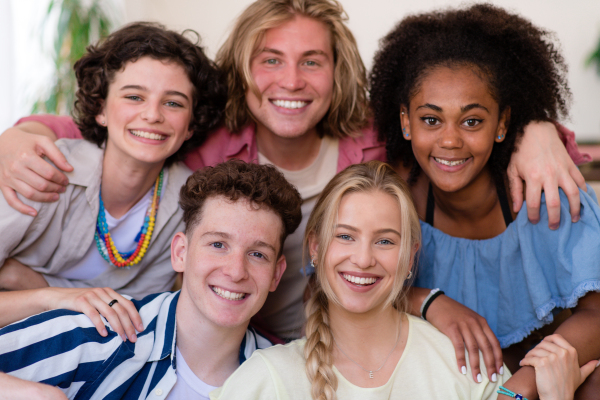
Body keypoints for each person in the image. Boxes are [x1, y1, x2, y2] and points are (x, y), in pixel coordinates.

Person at [0, 0, 587, 372]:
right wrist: (18, 132)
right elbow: (119, 131)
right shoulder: (208, 146)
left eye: (312, 61)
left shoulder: (380, 143)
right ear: (243, 70)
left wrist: (540, 132)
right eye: (271, 59)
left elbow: (465, 127)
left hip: (354, 340)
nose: (291, 80)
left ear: (338, 74)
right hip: (247, 347)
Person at [210, 161, 598, 400]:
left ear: (411, 255)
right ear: (315, 248)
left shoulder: (462, 362)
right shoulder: (267, 379)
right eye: (345, 236)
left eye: (384, 241)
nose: (363, 259)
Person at [368, 4, 600, 399]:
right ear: (405, 121)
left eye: (472, 120)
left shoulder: (544, 194)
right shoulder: (395, 198)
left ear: (503, 124)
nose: (450, 140)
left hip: (546, 378)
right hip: (451, 380)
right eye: (430, 119)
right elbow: (332, 288)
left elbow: (597, 315)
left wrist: (519, 388)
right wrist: (427, 301)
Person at [0, 159, 303, 400]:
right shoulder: (99, 332)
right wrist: (35, 393)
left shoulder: (284, 379)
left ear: (276, 274)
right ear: (180, 253)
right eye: (218, 245)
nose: (236, 271)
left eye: (257, 255)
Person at [0, 22, 226, 298]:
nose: (152, 115)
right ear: (100, 109)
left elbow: (133, 310)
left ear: (191, 124)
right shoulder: (36, 170)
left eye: (173, 103)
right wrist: (52, 297)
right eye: (134, 96)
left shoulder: (187, 207)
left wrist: (31, 281)